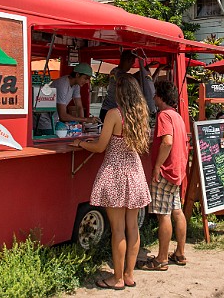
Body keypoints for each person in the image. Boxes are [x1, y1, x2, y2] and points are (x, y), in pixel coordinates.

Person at [75, 73, 151, 290]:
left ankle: (116, 279)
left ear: (119, 91)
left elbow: (100, 146)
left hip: (116, 173)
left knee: (117, 230)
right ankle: (128, 275)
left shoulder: (114, 114)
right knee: (132, 228)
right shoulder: (141, 114)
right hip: (134, 173)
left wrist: (81, 143)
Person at [139, 80, 189, 271]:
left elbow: (167, 142)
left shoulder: (163, 116)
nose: (153, 98)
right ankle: (180, 253)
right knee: (177, 210)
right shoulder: (177, 116)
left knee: (163, 214)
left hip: (166, 170)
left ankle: (161, 259)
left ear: (160, 97)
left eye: (155, 95)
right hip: (178, 169)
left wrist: (157, 166)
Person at [35, 63, 98, 135]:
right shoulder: (62, 85)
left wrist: (82, 124)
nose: (87, 82)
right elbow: (63, 116)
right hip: (43, 122)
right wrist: (86, 119)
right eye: (85, 78)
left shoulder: (76, 85)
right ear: (77, 75)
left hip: (54, 120)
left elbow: (79, 107)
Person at [100, 50, 136, 122]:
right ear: (127, 61)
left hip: (113, 109)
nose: (131, 66)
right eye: (131, 63)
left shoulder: (115, 72)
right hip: (109, 109)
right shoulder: (117, 73)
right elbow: (129, 77)